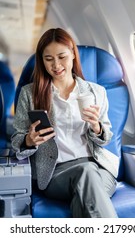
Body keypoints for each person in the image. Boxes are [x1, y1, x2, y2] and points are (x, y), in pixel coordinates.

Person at [12, 28, 119, 218]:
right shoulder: (29, 94)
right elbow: (17, 140)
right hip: (55, 173)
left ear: (73, 55)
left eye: (62, 56)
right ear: (42, 61)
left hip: (98, 166)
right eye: (49, 59)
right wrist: (29, 140)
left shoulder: (96, 92)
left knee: (84, 195)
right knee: (86, 176)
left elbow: (106, 138)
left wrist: (97, 127)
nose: (56, 65)